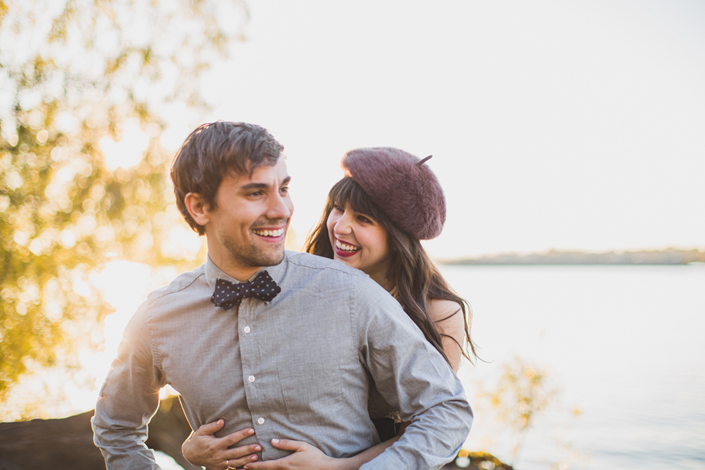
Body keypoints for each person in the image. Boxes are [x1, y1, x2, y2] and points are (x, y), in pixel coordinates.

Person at [91, 122, 473, 470]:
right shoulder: (158, 317)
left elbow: (444, 411)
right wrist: (187, 453)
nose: (283, 210)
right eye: (257, 193)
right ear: (199, 207)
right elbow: (116, 426)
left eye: (285, 189)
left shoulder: (355, 294)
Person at [182, 147, 478, 470]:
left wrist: (338, 467)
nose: (340, 227)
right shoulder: (303, 284)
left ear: (397, 236)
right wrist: (193, 445)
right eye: (337, 210)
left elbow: (430, 423)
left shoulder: (440, 313)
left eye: (363, 219)